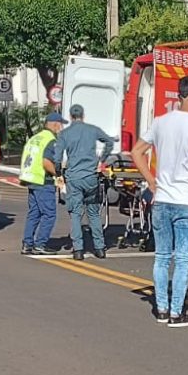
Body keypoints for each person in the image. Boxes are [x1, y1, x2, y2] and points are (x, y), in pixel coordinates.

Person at [131, 75, 188, 327]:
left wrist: (152, 181)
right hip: (187, 200)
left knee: (162, 257)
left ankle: (162, 309)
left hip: (163, 199)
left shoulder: (159, 123)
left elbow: (136, 151)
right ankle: (177, 312)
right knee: (183, 259)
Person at [46, 102, 117, 259]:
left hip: (74, 177)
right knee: (93, 213)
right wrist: (102, 159)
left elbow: (57, 158)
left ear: (71, 117)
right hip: (91, 177)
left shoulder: (65, 134)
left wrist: (59, 173)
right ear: (83, 116)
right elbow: (110, 142)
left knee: (76, 214)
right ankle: (99, 248)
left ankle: (78, 249)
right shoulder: (92, 130)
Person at [18, 111, 65, 255]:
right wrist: (57, 174)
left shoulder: (35, 138)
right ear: (56, 125)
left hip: (30, 179)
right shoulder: (51, 140)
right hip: (43, 181)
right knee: (49, 214)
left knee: (34, 213)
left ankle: (27, 244)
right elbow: (46, 162)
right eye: (61, 125)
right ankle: (40, 244)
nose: (62, 128)